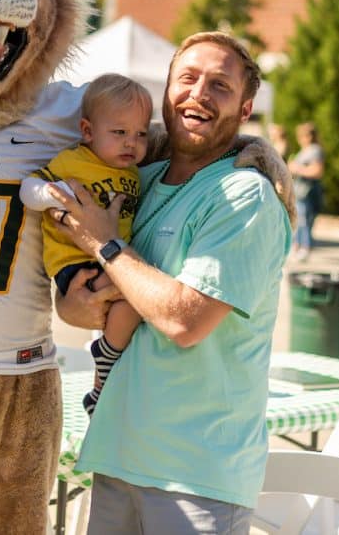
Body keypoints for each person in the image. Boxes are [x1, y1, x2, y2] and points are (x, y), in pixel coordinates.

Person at [50, 31, 291, 534]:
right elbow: (87, 301)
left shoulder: (244, 196)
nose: (199, 93)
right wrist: (75, 301)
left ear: (245, 109)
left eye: (220, 85)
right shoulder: (141, 179)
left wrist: (103, 244)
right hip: (120, 456)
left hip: (194, 475)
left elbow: (184, 322)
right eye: (188, 77)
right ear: (166, 92)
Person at [20, 74, 152, 414]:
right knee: (140, 292)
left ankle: (101, 382)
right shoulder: (73, 161)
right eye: (120, 133)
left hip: (108, 260)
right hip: (75, 263)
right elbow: (27, 188)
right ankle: (105, 362)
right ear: (88, 131)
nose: (131, 143)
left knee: (133, 300)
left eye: (140, 134)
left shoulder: (134, 173)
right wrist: (49, 195)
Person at [289, 121, 324, 261]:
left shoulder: (315, 150)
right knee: (299, 220)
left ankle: (305, 247)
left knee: (304, 221)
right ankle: (297, 246)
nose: (300, 139)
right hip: (300, 192)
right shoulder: (305, 150)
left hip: (307, 193)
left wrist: (296, 168)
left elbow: (317, 171)